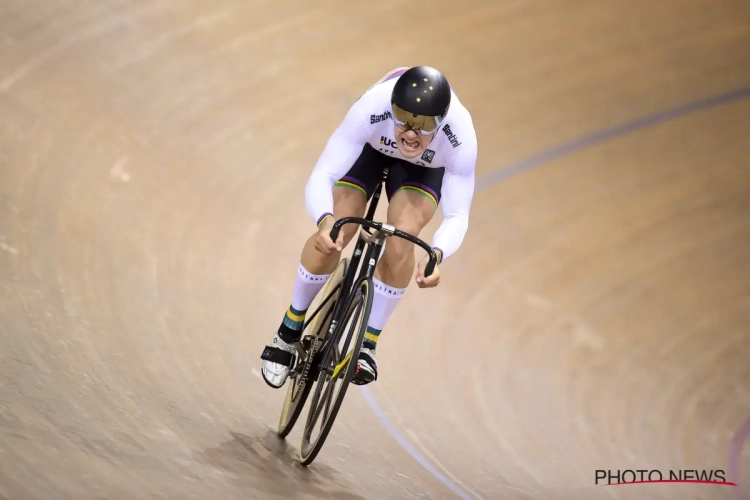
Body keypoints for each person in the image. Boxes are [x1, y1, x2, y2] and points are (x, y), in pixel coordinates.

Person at [260, 66, 477, 387]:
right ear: (392, 107)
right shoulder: (371, 108)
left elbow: (457, 215)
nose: (411, 132)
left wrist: (437, 255)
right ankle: (288, 330)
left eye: (424, 124)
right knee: (338, 231)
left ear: (442, 121)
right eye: (403, 117)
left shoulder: (460, 137)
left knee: (403, 240)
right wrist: (325, 220)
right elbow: (323, 175)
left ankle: (367, 345)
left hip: (422, 171)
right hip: (369, 153)